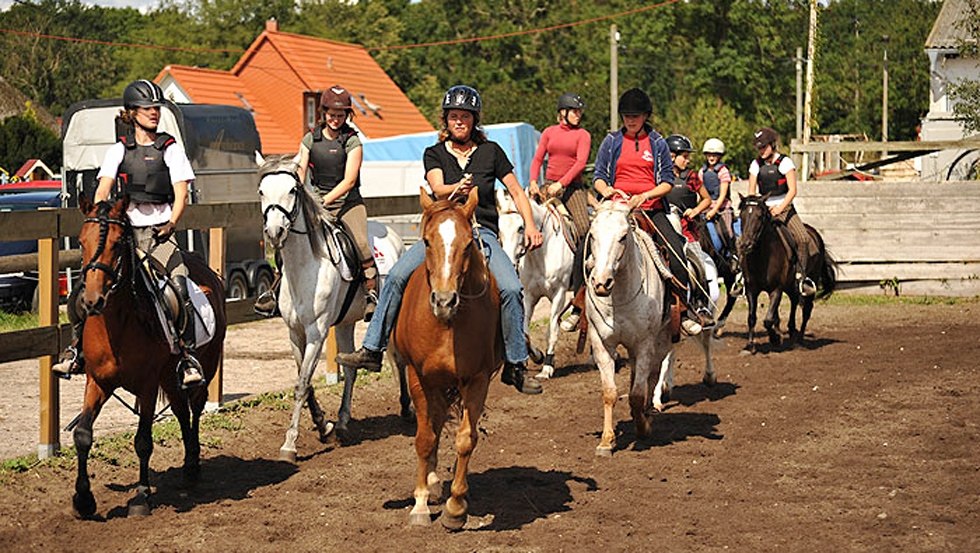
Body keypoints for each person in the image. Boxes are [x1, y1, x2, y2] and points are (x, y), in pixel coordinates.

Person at [336, 85, 544, 394]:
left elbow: (515, 190)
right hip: (439, 234)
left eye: (466, 116)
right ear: (445, 120)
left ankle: (515, 365)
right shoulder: (433, 153)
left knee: (512, 289)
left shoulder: (492, 153)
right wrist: (457, 187)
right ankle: (373, 349)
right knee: (395, 276)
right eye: (454, 116)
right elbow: (436, 186)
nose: (460, 121)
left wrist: (530, 224)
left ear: (475, 121)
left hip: (479, 234)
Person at [52, 79, 204, 387]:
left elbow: (181, 193)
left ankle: (186, 357)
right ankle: (75, 350)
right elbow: (104, 187)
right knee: (86, 289)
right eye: (148, 108)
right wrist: (102, 218)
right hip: (126, 234)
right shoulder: (119, 150)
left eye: (156, 108)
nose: (154, 113)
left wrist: (171, 223)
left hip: (160, 232)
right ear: (132, 112)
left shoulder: (170, 149)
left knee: (179, 285)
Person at [591, 88, 713, 335]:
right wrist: (611, 192)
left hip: (651, 210)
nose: (630, 119)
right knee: (588, 242)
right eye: (626, 115)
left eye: (636, 115)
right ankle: (579, 305)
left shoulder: (657, 142)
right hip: (617, 209)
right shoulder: (611, 141)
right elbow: (598, 178)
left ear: (646, 115)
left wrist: (644, 196)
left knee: (678, 251)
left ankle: (685, 307)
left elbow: (667, 182)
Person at [254, 85, 379, 321]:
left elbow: (350, 180)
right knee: (288, 237)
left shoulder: (352, 141)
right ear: (324, 113)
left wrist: (324, 201)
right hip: (316, 201)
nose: (336, 119)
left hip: (347, 203)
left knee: (361, 243)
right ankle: (275, 287)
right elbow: (300, 173)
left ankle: (371, 292)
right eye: (332, 114)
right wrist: (301, 195)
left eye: (341, 115)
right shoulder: (310, 139)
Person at [527, 92, 592, 332]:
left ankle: (580, 289)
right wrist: (533, 181)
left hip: (571, 188)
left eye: (579, 111)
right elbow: (537, 159)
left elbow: (580, 164)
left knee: (585, 231)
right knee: (523, 219)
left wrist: (561, 184)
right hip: (548, 186)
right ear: (562, 112)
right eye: (574, 110)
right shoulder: (548, 132)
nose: (578, 114)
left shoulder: (583, 135)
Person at [747, 127, 816, 296]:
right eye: (759, 147)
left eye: (764, 147)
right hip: (763, 210)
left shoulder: (785, 163)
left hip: (784, 208)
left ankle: (801, 277)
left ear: (772, 145)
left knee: (803, 238)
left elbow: (792, 190)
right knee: (746, 237)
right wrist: (758, 208)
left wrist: (779, 208)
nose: (761, 150)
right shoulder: (755, 165)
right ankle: (743, 278)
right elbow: (751, 191)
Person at [665, 134, 716, 317]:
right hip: (664, 228)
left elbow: (707, 199)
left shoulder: (692, 176)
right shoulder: (659, 175)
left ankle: (701, 304)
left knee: (699, 266)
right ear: (672, 156)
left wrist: (694, 211)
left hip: (687, 231)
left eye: (688, 156)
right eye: (684, 156)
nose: (688, 160)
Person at [699, 137, 738, 271]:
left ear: (720, 156)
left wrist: (714, 210)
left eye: (715, 155)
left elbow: (722, 195)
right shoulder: (701, 172)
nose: (711, 157)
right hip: (706, 208)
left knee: (727, 232)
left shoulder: (723, 171)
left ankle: (734, 257)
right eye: (709, 154)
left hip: (722, 208)